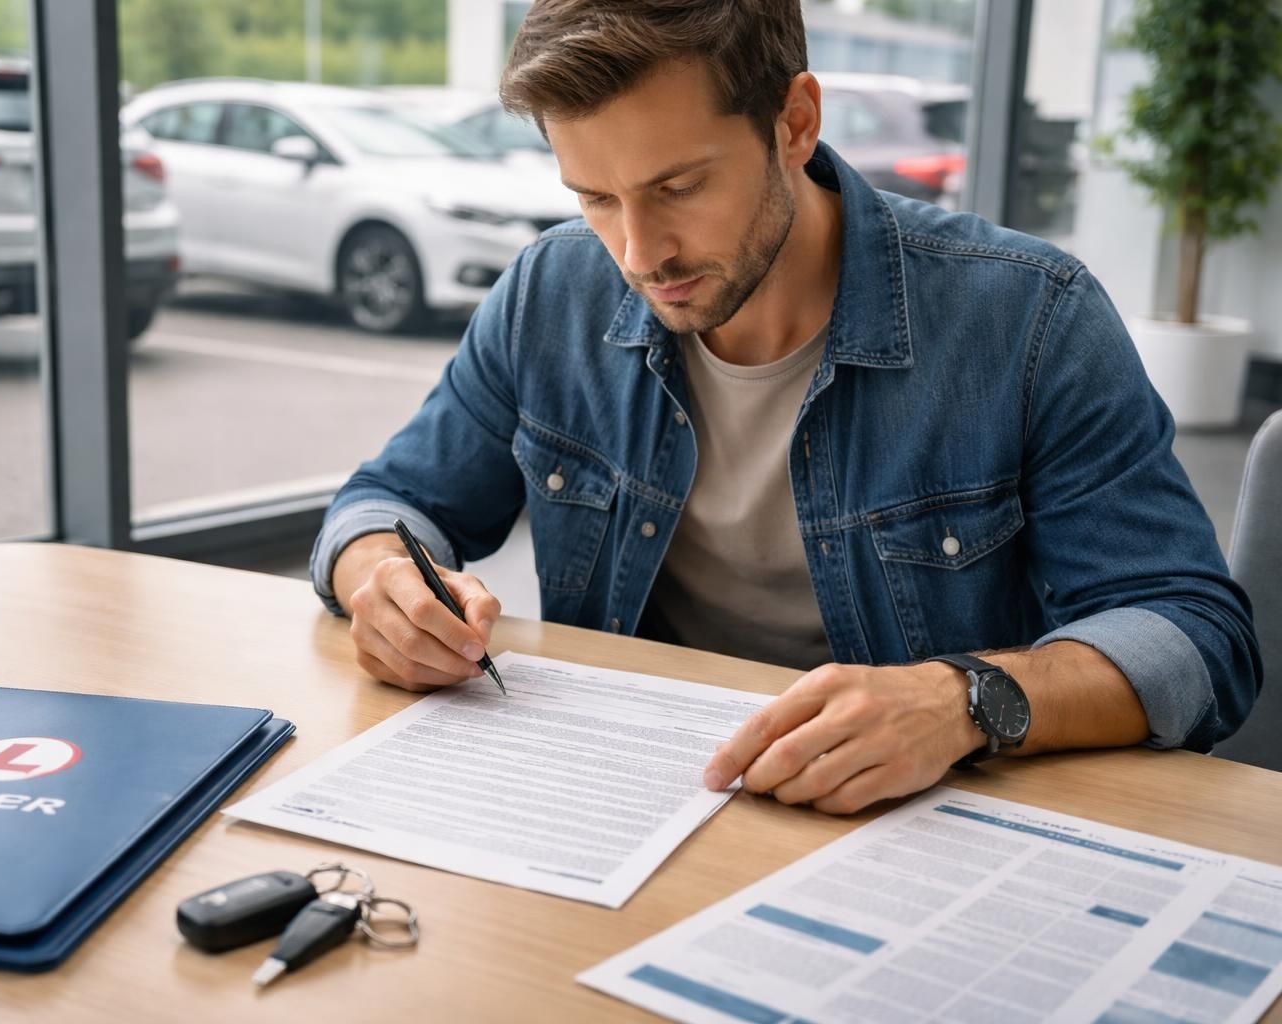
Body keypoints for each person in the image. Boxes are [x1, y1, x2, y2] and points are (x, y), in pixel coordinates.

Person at [309, 0, 1260, 813]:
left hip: (922, 826)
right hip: (638, 803)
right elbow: (389, 499)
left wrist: (964, 701)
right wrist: (379, 579)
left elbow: (1192, 635)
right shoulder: (551, 292)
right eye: (595, 196)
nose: (639, 253)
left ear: (795, 122)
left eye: (678, 187)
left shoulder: (1027, 318)